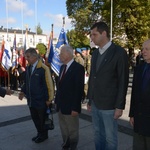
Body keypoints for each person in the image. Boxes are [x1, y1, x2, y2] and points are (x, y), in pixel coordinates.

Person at [87, 21, 129, 150]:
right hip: (95, 103)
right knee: (97, 134)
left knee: (110, 138)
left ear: (104, 33)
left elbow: (123, 80)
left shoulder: (119, 52)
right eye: (91, 35)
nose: (91, 37)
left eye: (94, 34)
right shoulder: (94, 54)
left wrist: (119, 106)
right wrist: (90, 99)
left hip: (110, 106)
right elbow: (92, 77)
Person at [18, 48, 54, 143]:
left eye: (28, 57)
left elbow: (49, 84)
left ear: (34, 56)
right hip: (31, 100)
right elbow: (26, 82)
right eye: (26, 56)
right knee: (35, 119)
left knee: (42, 119)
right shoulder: (29, 68)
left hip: (41, 100)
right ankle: (39, 133)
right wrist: (22, 91)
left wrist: (49, 99)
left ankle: (43, 135)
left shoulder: (43, 68)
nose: (26, 59)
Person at [55, 45, 85, 150]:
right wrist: (56, 102)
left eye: (61, 53)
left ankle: (73, 145)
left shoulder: (78, 68)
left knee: (72, 128)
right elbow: (59, 87)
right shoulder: (62, 67)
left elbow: (78, 90)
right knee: (63, 127)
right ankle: (66, 142)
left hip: (71, 105)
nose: (59, 56)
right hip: (61, 105)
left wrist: (76, 108)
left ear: (68, 54)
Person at [129, 39, 150, 150]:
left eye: (147, 49)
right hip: (139, 118)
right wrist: (132, 114)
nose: (143, 51)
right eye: (142, 49)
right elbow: (134, 93)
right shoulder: (139, 68)